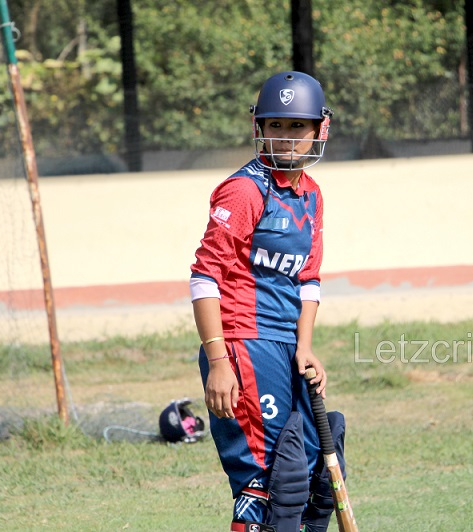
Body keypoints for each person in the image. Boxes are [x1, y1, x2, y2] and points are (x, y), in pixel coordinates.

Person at [189, 71, 346, 532]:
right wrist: (219, 359)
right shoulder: (244, 190)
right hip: (243, 342)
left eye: (297, 127)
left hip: (285, 345)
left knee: (312, 466)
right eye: (276, 125)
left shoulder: (311, 196)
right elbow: (204, 276)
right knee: (268, 480)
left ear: (320, 129)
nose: (286, 137)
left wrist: (305, 346)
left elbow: (309, 280)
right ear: (259, 126)